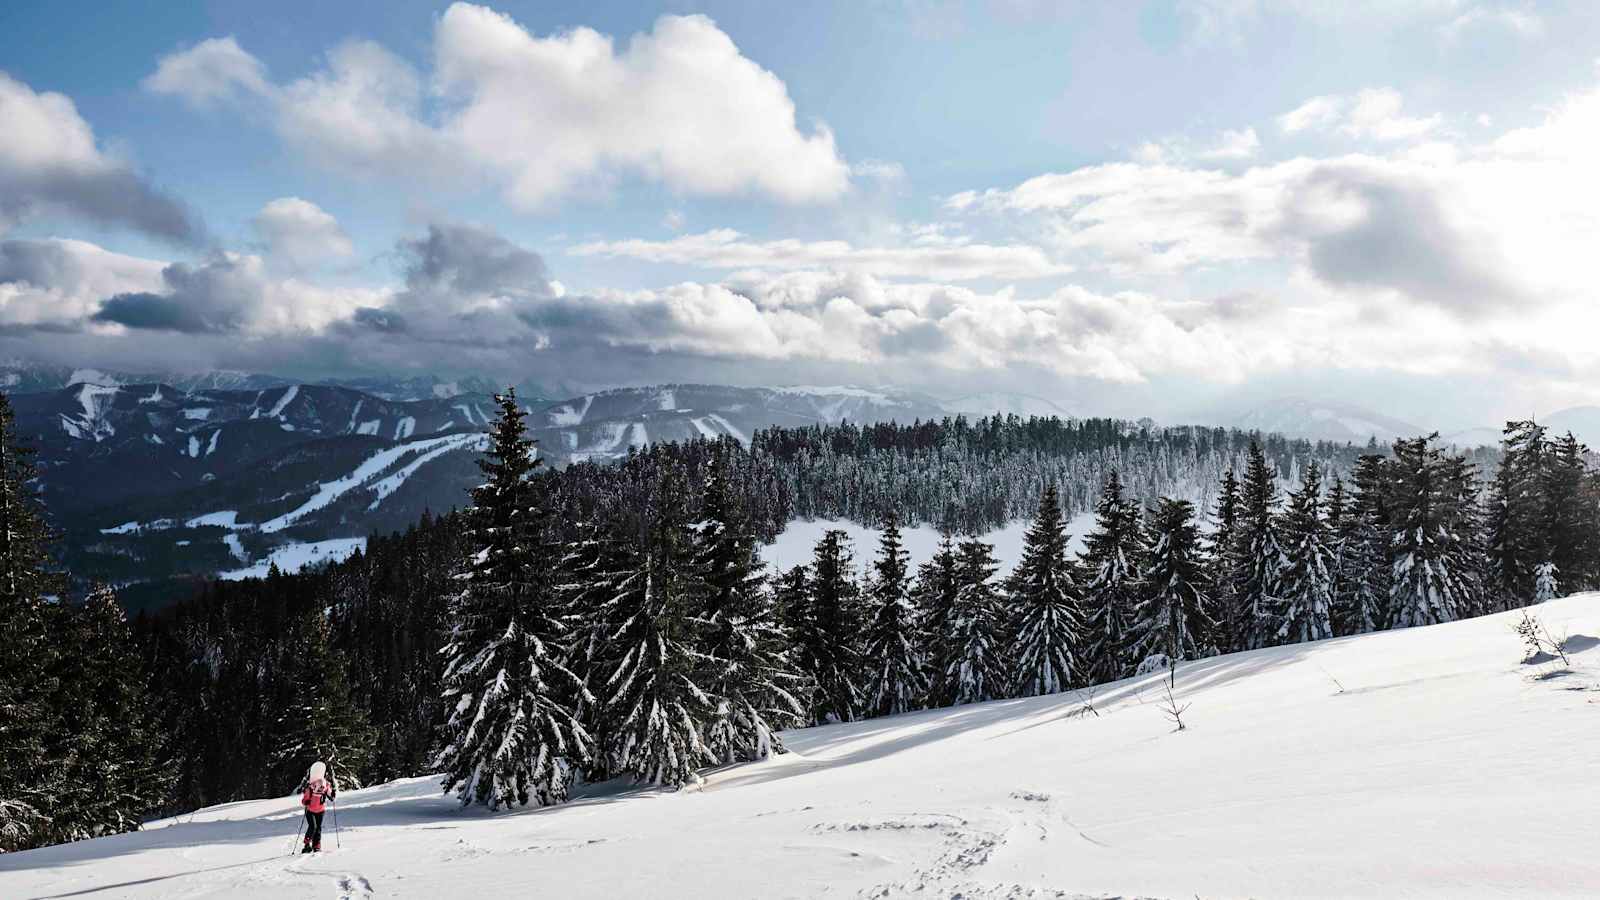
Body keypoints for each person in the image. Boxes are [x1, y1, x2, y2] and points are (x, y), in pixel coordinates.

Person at [298, 761, 337, 853]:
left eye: (322, 788)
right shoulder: (310, 788)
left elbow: (331, 796)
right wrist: (306, 802)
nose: (321, 789)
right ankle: (307, 844)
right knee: (313, 827)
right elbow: (304, 801)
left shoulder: (326, 786)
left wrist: (333, 794)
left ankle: (316, 845)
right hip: (310, 811)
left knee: (318, 828)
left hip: (320, 810)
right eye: (319, 788)